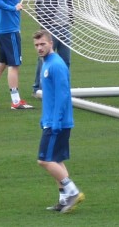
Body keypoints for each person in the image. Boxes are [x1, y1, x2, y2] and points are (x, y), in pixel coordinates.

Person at [33, 29, 84, 213]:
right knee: (56, 159)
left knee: (44, 160)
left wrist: (55, 121)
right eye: (36, 45)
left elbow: (63, 96)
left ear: (51, 43)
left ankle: (73, 191)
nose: (39, 48)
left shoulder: (56, 65)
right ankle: (63, 200)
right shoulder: (46, 63)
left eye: (43, 44)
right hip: (52, 120)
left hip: (58, 123)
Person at [32, 0, 87, 99]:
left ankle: (63, 86)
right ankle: (39, 88)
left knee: (65, 59)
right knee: (45, 58)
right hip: (50, 28)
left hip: (65, 27)